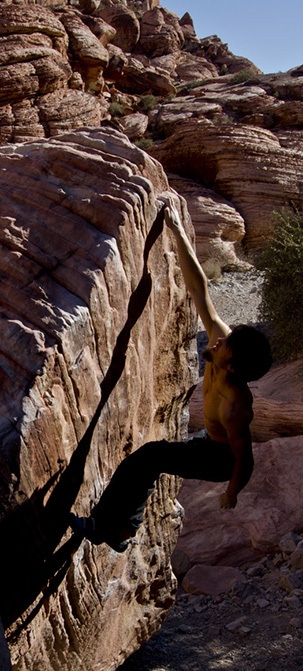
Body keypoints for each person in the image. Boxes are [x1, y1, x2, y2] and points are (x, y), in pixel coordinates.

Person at [73, 202, 273, 552]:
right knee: (152, 461)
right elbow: (200, 291)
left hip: (220, 460)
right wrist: (178, 231)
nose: (219, 338)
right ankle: (122, 530)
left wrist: (230, 494)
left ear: (232, 367)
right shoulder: (221, 346)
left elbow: (245, 460)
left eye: (225, 345)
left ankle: (107, 528)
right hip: (208, 442)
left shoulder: (235, 406)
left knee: (149, 459)